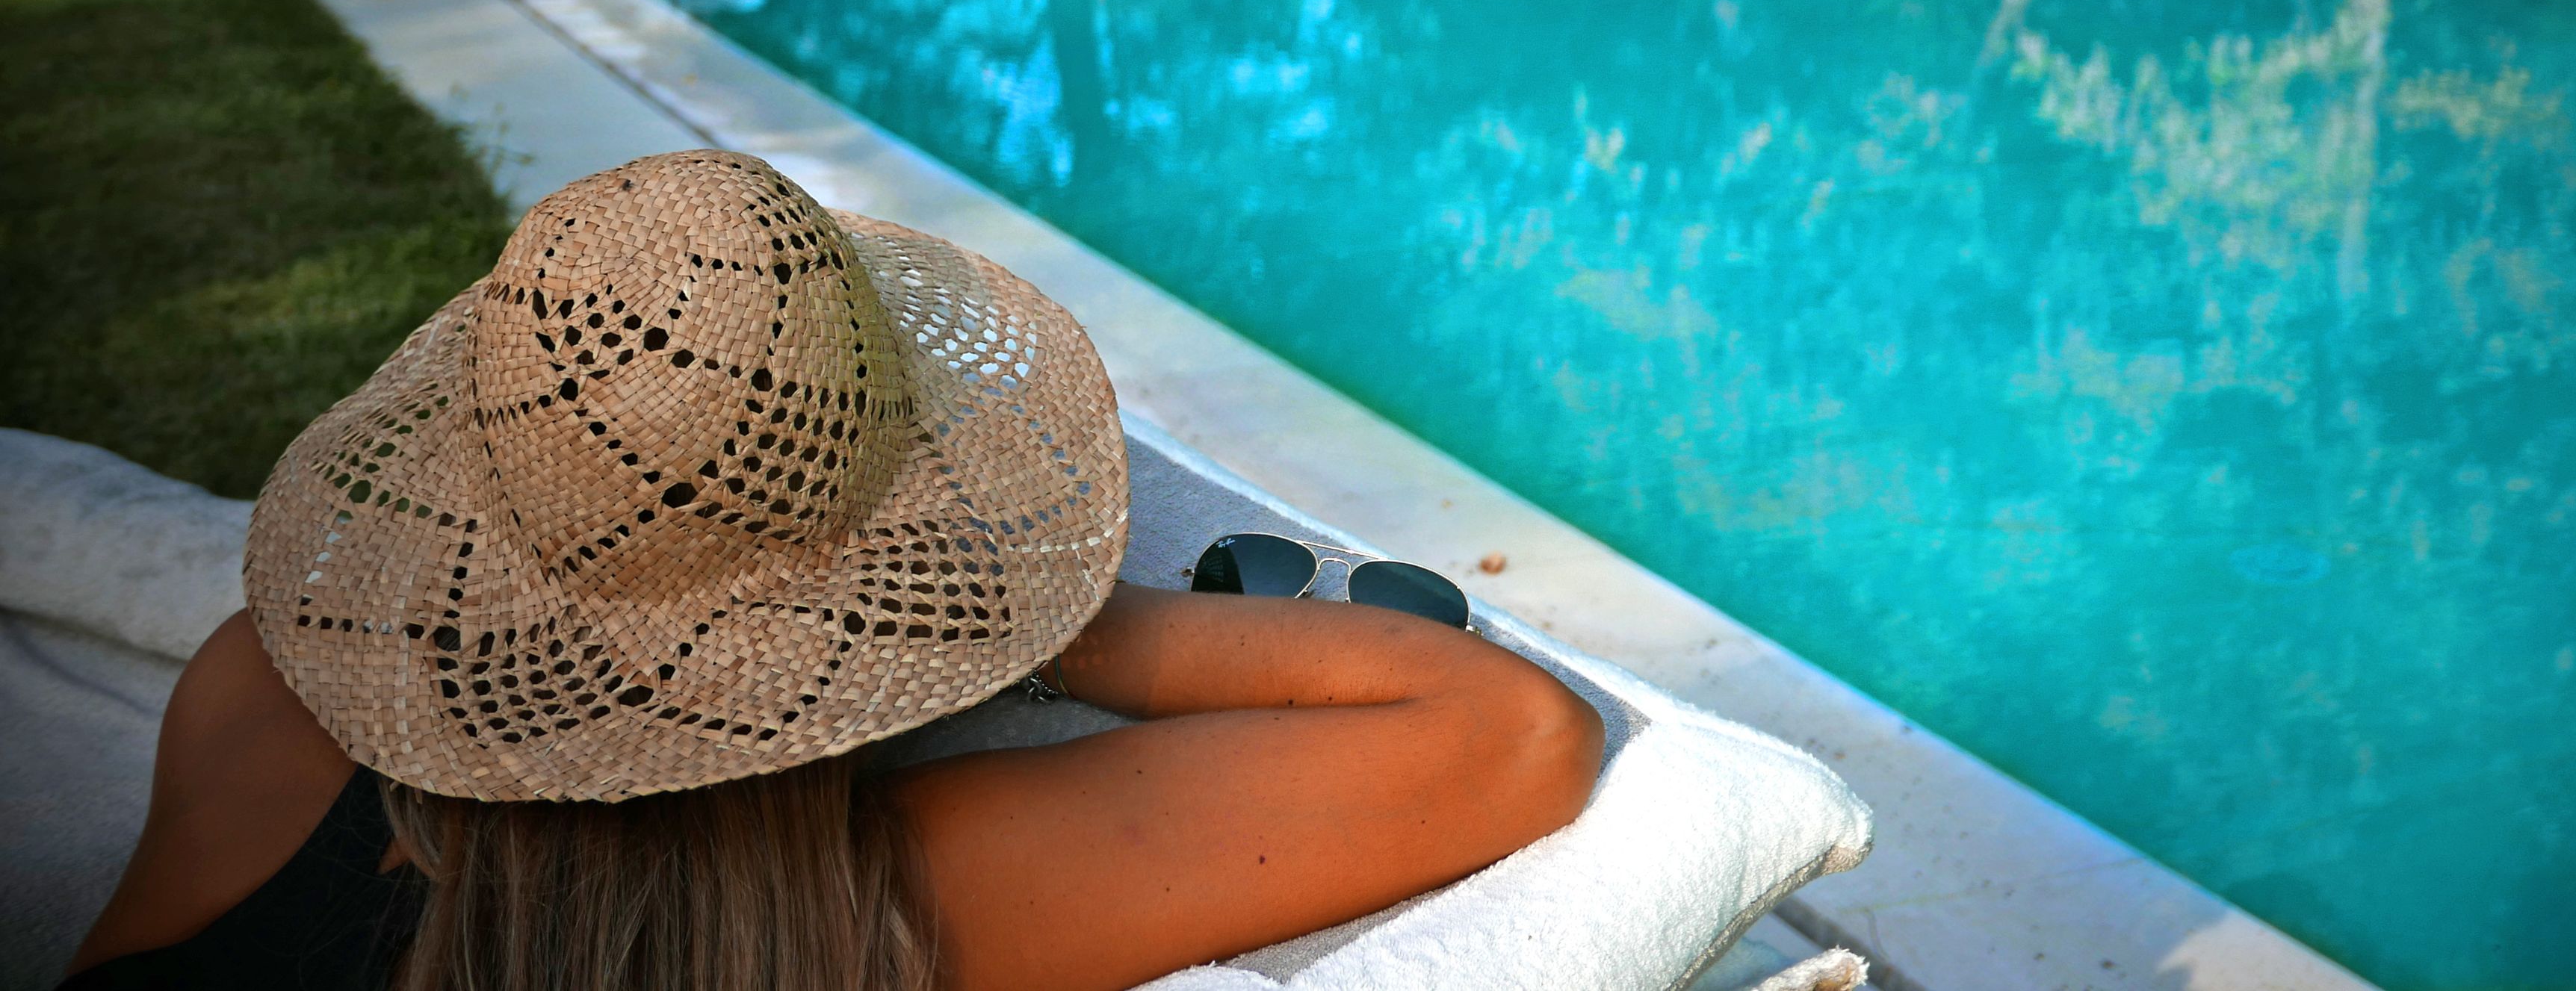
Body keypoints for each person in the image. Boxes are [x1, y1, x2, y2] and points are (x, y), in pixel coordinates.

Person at [63, 152, 1603, 991]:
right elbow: (1514, 734)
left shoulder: (257, 695)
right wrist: (1076, 628)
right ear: (890, 587)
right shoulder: (874, 910)